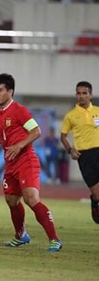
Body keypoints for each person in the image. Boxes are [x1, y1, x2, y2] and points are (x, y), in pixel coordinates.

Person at [0, 73, 62, 252]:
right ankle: (21, 235)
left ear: (10, 91)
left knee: (31, 199)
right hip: (11, 164)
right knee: (12, 201)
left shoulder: (19, 110)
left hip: (26, 161)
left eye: (0, 90)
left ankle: (54, 239)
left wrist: (19, 145)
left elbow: (36, 131)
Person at [60, 81, 99, 224]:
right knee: (96, 193)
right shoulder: (71, 115)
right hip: (85, 156)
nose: (81, 96)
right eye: (78, 93)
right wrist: (71, 150)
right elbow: (63, 136)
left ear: (90, 95)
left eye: (84, 93)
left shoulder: (97, 111)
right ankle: (95, 202)